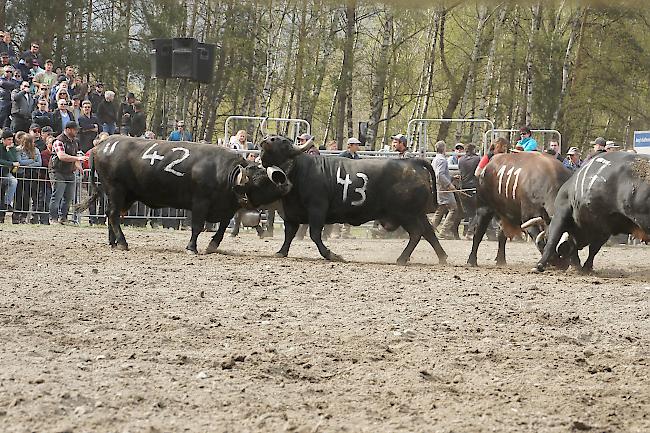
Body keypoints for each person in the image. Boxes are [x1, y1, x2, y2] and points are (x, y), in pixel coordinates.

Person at [49, 121, 86, 224]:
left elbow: (74, 157)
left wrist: (79, 166)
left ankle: (63, 218)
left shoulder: (74, 141)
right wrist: (77, 158)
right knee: (57, 196)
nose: (77, 131)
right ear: (68, 129)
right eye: (75, 129)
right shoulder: (58, 141)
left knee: (68, 197)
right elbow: (61, 156)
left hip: (69, 172)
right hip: (58, 171)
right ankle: (53, 218)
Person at [431, 140, 459, 239]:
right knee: (454, 209)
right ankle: (444, 232)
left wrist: (451, 178)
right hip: (444, 188)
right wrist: (449, 184)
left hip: (439, 187)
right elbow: (440, 174)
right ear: (444, 149)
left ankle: (430, 230)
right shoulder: (442, 160)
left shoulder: (435, 159)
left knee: (441, 208)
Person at [13, 132, 42, 223]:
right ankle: (16, 216)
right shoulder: (18, 150)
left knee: (29, 196)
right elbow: (19, 161)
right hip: (20, 175)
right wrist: (32, 161)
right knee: (19, 196)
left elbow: (39, 163)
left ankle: (25, 216)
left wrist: (29, 164)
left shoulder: (36, 150)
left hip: (32, 175)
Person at [458, 143, 480, 239]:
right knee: (477, 211)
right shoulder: (477, 159)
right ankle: (470, 232)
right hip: (473, 187)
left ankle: (466, 231)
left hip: (463, 187)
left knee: (469, 211)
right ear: (473, 150)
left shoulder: (460, 160)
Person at [0, 129, 20, 219]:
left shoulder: (12, 148)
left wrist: (8, 150)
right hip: (2, 171)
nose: (11, 142)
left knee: (13, 181)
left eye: (12, 139)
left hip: (5, 173)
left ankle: (7, 203)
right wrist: (10, 164)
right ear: (3, 140)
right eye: (8, 140)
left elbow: (14, 160)